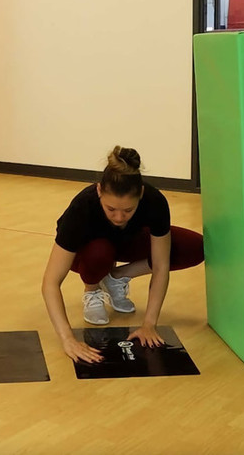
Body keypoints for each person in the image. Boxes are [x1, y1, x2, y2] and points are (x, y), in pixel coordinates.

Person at [41, 145, 204, 364]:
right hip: (88, 254)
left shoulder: (155, 201)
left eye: (128, 210)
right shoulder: (82, 207)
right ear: (99, 191)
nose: (119, 217)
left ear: (141, 195)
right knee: (100, 253)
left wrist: (149, 324)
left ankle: (116, 277)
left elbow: (161, 266)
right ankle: (92, 288)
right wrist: (67, 338)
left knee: (195, 247)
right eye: (111, 209)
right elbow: (50, 282)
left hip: (127, 242)